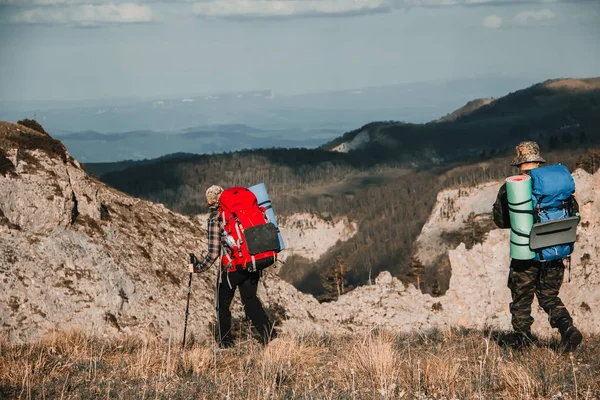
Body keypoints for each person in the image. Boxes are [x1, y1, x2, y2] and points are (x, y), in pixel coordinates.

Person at [492, 141, 582, 351]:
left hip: (526, 253)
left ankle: (523, 343)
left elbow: (501, 220)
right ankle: (567, 329)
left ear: (518, 163)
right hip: (554, 251)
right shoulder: (556, 186)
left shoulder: (511, 187)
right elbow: (572, 210)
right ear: (538, 161)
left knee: (521, 299)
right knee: (549, 296)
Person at [189, 185, 276, 348]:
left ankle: (226, 343)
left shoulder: (216, 219)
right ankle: (270, 337)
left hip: (232, 268)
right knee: (250, 301)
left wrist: (197, 268)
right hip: (252, 262)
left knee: (223, 305)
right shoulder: (240, 212)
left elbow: (213, 254)